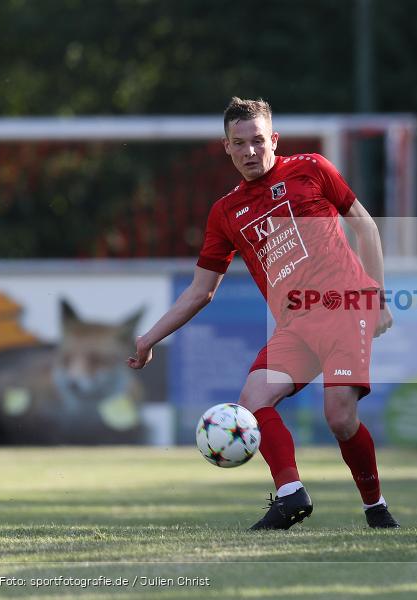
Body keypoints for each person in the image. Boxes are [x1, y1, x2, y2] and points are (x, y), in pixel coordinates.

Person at [128, 97, 399, 530]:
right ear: (227, 147)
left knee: (340, 418)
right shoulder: (225, 212)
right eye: (240, 143)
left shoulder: (312, 168)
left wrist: (377, 296)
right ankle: (291, 495)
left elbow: (364, 224)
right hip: (295, 324)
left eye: (258, 141)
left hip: (345, 307)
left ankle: (375, 507)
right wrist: (149, 338)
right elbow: (201, 290)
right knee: (252, 401)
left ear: (273, 139)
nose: (251, 152)